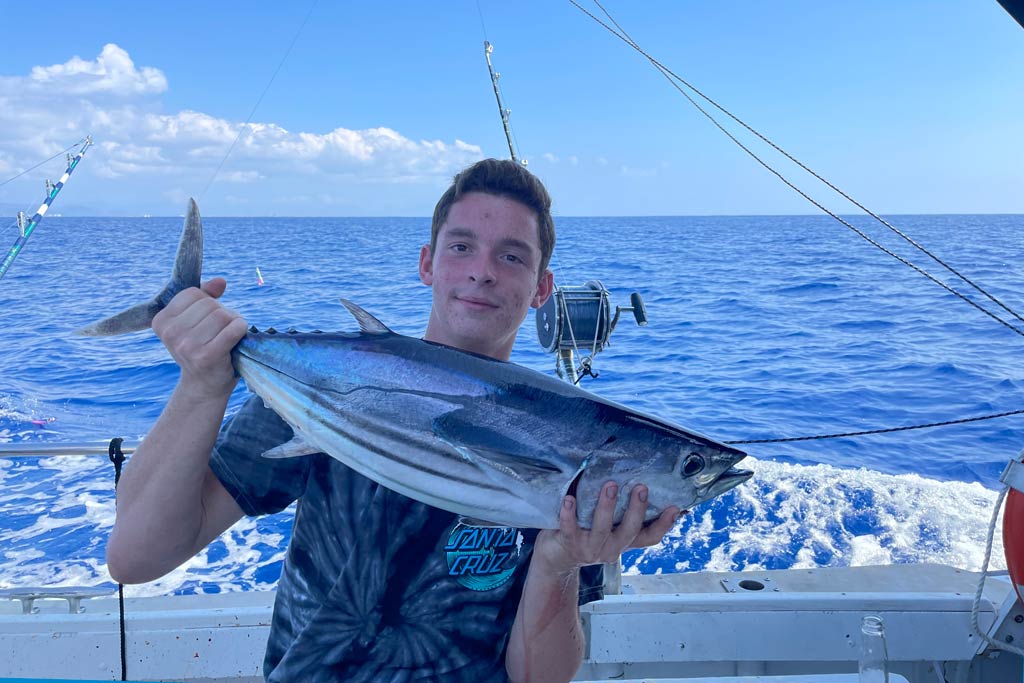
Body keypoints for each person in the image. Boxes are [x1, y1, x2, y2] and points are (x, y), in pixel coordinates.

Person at [106, 158, 680, 683]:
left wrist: (558, 560)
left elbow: (536, 679)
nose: (482, 272)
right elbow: (136, 558)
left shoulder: (580, 458)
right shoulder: (329, 386)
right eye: (461, 247)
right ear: (427, 264)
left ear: (541, 289)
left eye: (512, 256)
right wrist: (203, 383)